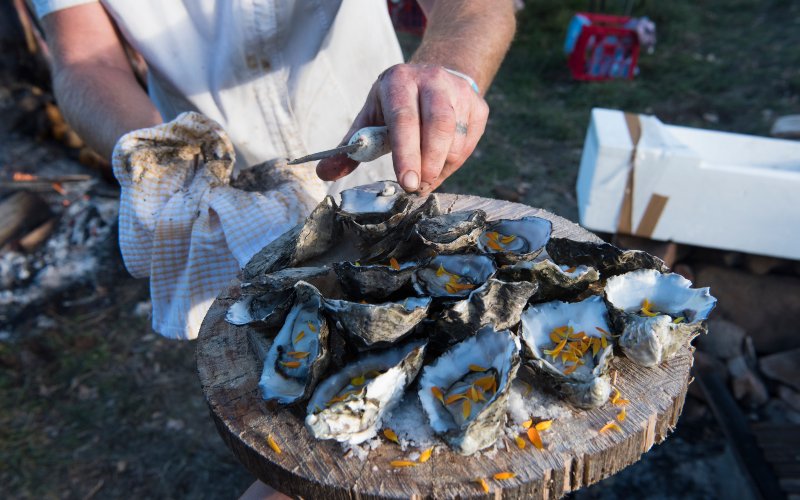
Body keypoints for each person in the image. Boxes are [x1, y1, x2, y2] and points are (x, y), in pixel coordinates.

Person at [36, 0, 516, 497]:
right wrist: (161, 152)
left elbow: (478, 7)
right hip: (228, 208)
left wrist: (450, 73)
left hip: (386, 168)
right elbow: (86, 59)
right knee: (295, 419)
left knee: (400, 404)